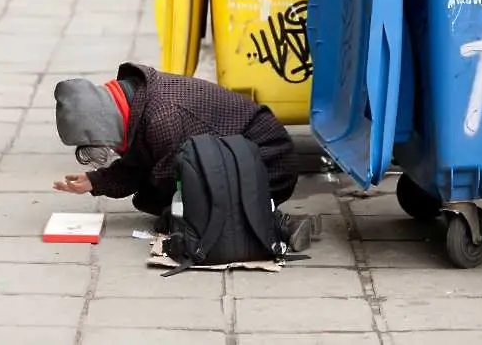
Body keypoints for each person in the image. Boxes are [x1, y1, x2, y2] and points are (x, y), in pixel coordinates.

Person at [52, 62, 315, 252]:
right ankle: (263, 216)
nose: (102, 152)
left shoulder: (163, 117)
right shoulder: (135, 102)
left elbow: (163, 177)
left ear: (104, 124)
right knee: (169, 210)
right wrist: (94, 181)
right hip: (237, 157)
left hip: (270, 161)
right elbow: (143, 163)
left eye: (95, 146)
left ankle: (277, 222)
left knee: (178, 217)